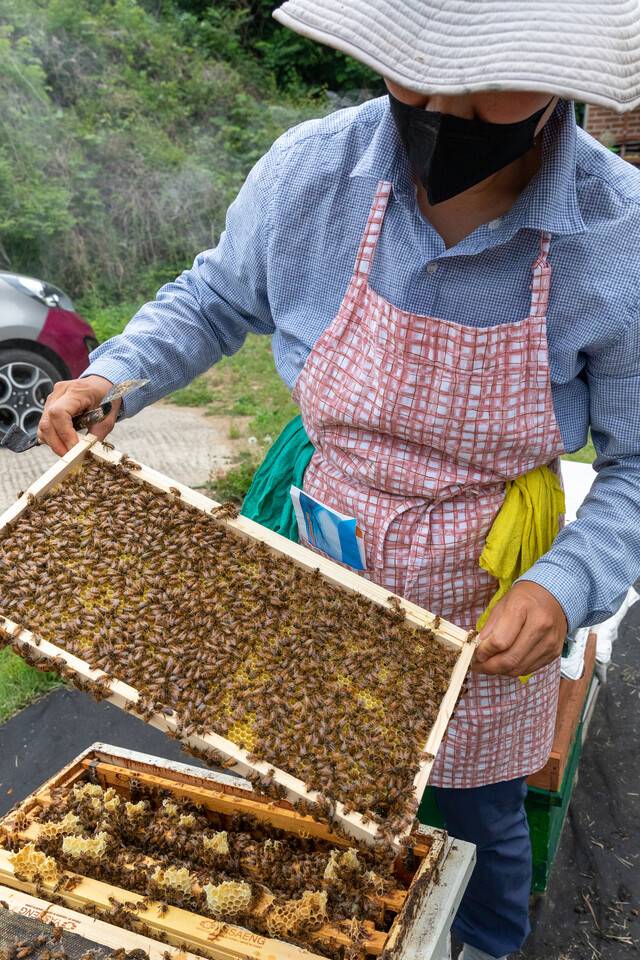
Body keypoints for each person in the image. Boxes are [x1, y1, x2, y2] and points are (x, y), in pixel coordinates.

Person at [38, 2, 640, 957]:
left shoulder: (618, 239)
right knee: (303, 798)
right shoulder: (318, 169)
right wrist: (118, 373)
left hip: (486, 598)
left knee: (479, 826)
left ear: (563, 75)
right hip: (320, 564)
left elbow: (638, 465)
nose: (444, 102)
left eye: (490, 77)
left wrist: (563, 587)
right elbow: (219, 294)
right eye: (417, 70)